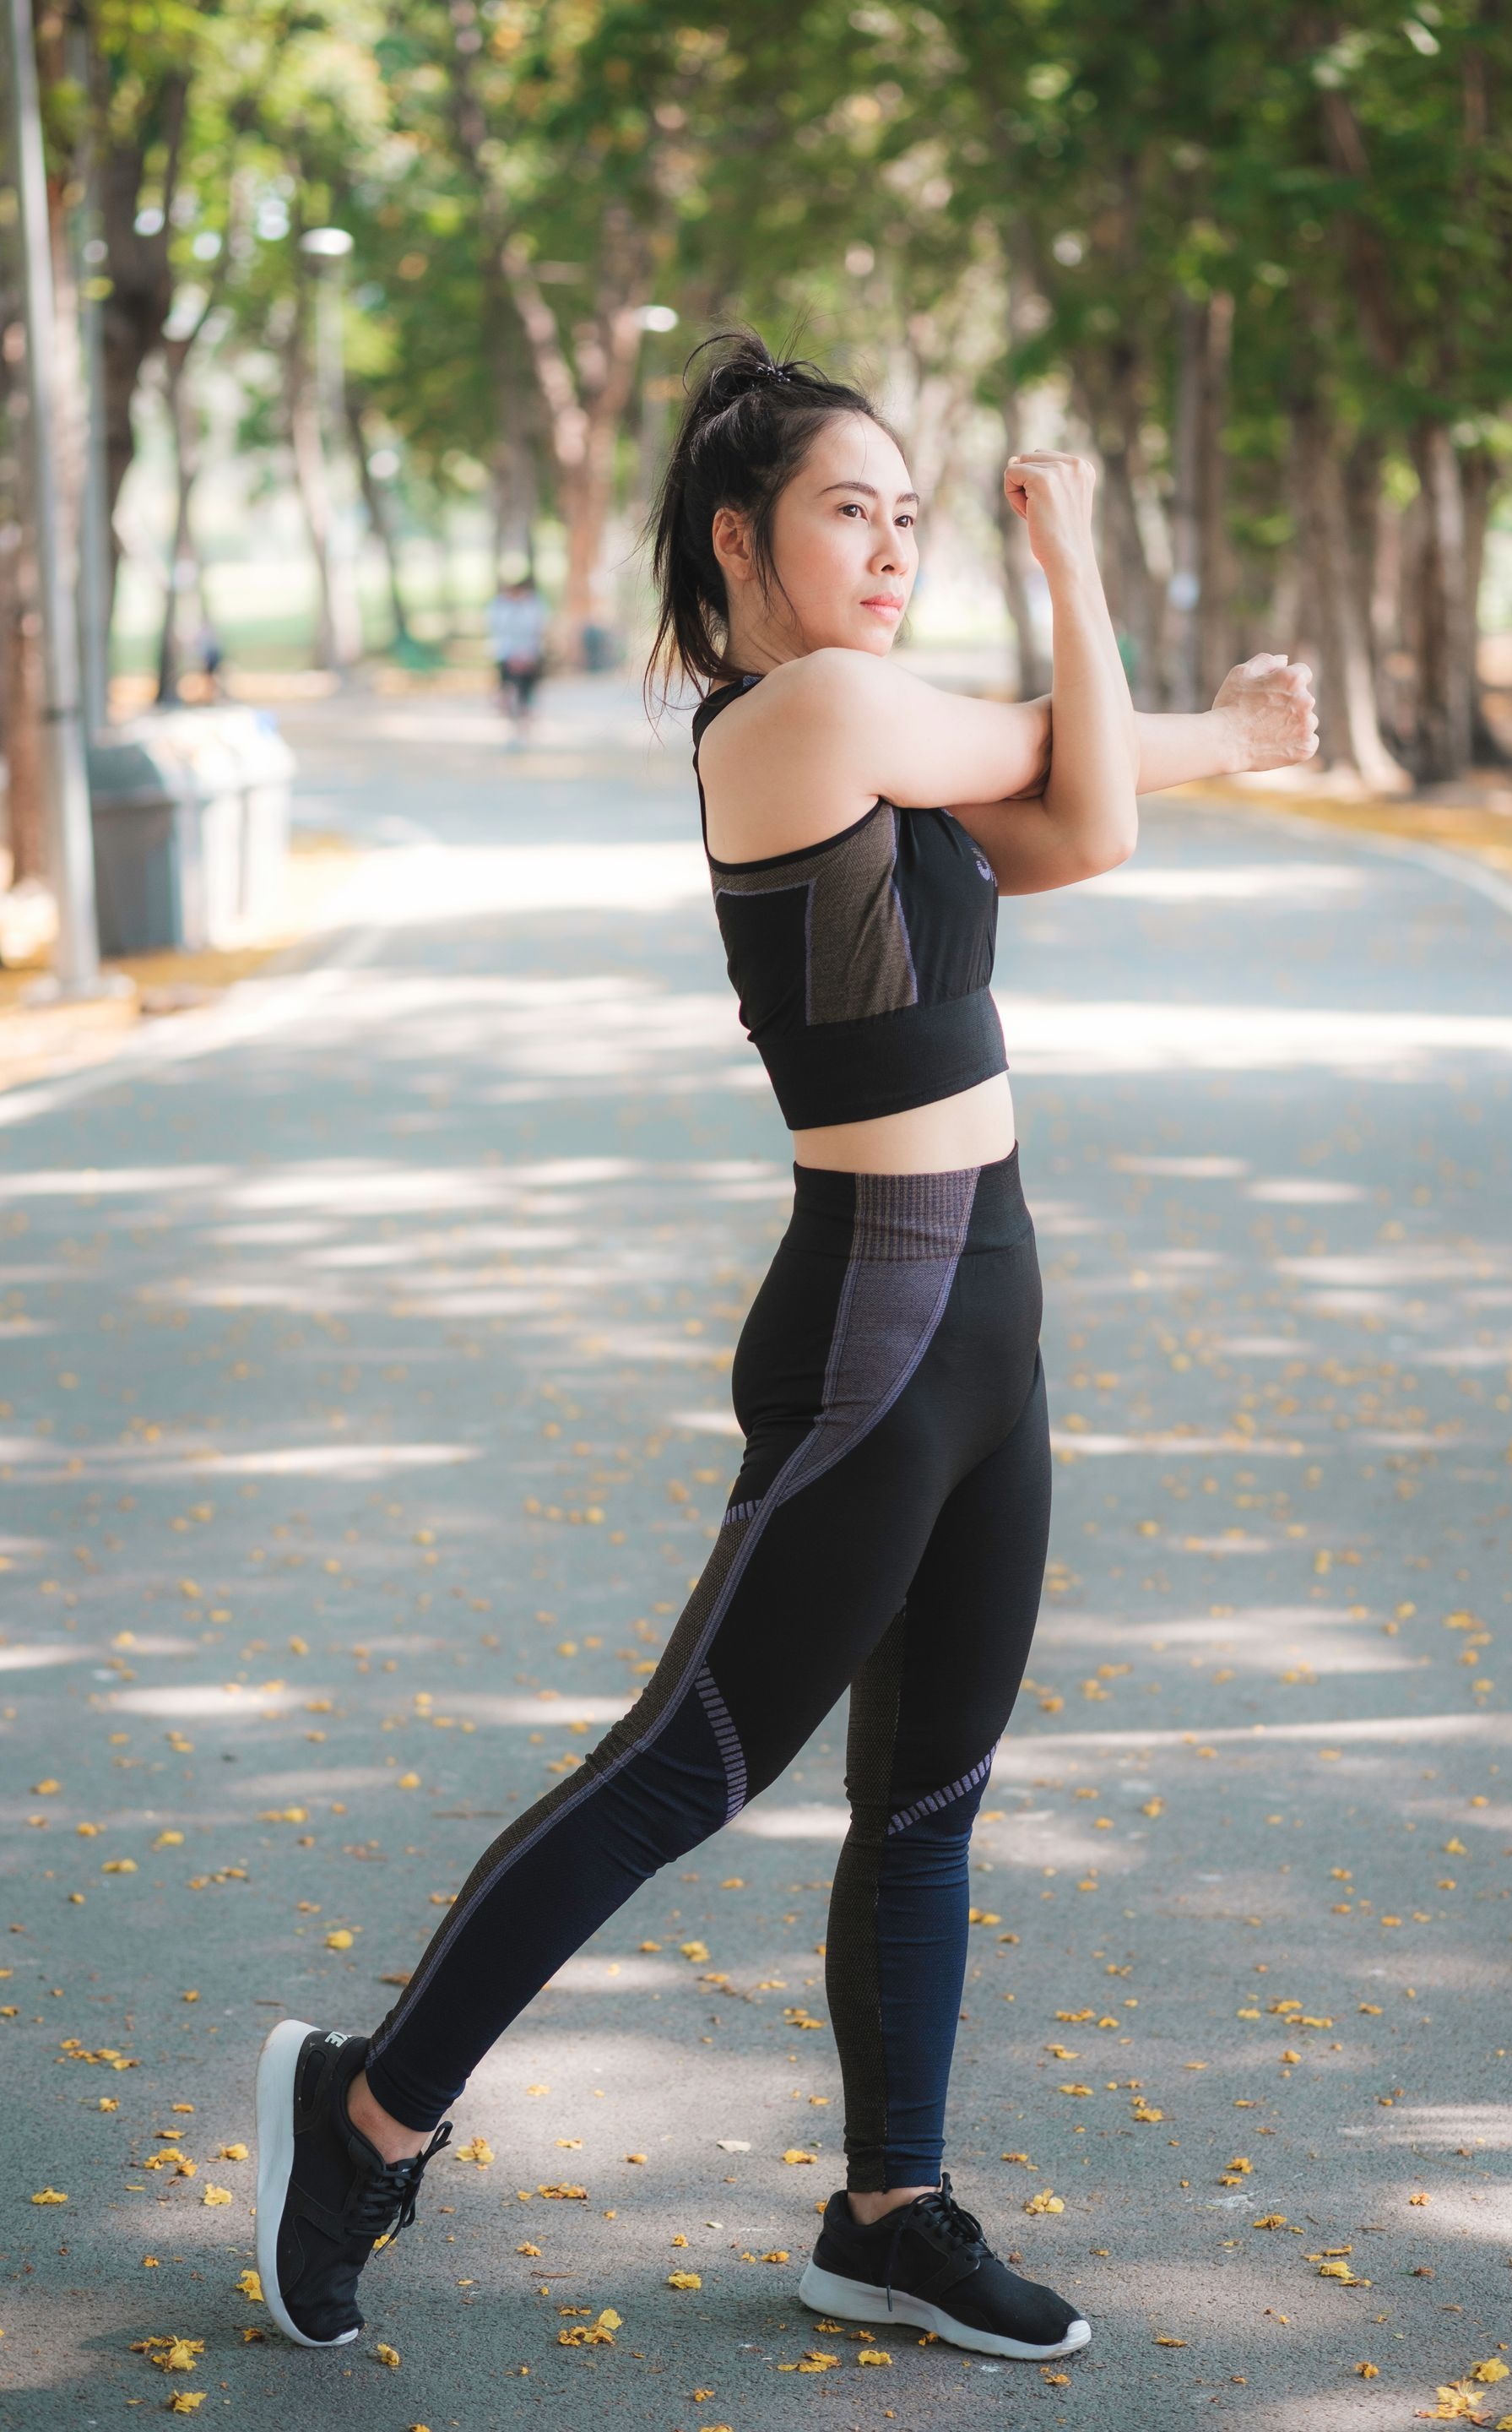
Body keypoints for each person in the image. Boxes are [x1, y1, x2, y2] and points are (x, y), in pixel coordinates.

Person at [254, 331, 1317, 2363]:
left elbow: (1063, 808)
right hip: (878, 1315)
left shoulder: (891, 737)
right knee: (687, 1764)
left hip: (988, 1306)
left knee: (932, 1795)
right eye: (855, 507)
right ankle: (363, 2107)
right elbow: (1074, 782)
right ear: (738, 540)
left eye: (917, 512)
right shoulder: (804, 711)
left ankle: (889, 2212)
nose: (898, 542)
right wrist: (1087, 571)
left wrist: (1204, 731)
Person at [488, 569, 549, 742]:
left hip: (529, 653)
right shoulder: (500, 605)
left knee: (527, 688)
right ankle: (507, 709)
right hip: (506, 652)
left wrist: (527, 653)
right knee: (507, 684)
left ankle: (525, 717)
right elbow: (497, 629)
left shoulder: (533, 605)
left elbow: (537, 628)